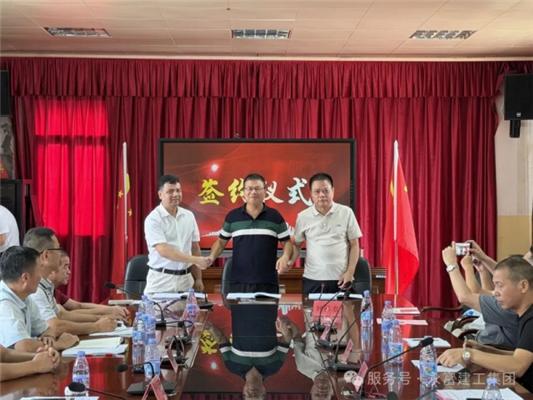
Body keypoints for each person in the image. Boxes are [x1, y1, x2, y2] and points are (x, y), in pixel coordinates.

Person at [438, 255, 533, 393]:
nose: (495, 293)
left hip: (523, 389)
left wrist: (469, 354)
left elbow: (518, 366)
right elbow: (521, 356)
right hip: (517, 382)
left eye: (500, 285)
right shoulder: (525, 315)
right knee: (453, 384)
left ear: (523, 286)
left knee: (454, 386)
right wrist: (484, 350)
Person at [208, 173, 292, 293]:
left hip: (268, 282)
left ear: (265, 191)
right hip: (238, 282)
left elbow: (287, 242)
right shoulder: (232, 217)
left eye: (257, 188)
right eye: (249, 188)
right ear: (243, 191)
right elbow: (221, 243)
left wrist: (285, 256)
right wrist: (211, 257)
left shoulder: (275, 216)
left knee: (267, 307)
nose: (253, 192)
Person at [24, 227, 117, 336]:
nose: (61, 254)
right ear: (46, 255)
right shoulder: (35, 290)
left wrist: (101, 318)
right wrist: (97, 326)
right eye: (58, 249)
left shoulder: (45, 285)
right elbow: (54, 326)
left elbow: (61, 315)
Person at [291, 173, 362, 296]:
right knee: (311, 309)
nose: (322, 195)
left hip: (341, 279)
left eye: (325, 191)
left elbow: (355, 245)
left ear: (333, 191)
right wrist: (289, 261)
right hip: (313, 279)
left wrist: (350, 272)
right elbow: (297, 245)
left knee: (344, 309)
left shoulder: (346, 212)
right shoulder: (303, 216)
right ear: (311, 194)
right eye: (317, 191)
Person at [0, 246, 78, 352]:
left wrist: (48, 337)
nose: (41, 277)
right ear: (25, 278)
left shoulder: (24, 296)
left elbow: (47, 329)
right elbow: (23, 346)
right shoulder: (4, 305)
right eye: (39, 271)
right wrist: (59, 344)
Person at [442, 243, 519, 348]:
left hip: (486, 346)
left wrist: (452, 265)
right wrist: (483, 262)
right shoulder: (513, 297)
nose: (495, 291)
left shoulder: (509, 304)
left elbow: (465, 297)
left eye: (500, 284)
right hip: (483, 344)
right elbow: (480, 292)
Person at [206, 303, 290, 399]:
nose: (253, 393)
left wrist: (210, 328)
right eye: (256, 395)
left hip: (240, 305)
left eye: (249, 395)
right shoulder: (274, 366)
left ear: (243, 391)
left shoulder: (232, 366)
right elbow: (286, 341)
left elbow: (221, 340)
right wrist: (286, 331)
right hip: (267, 304)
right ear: (264, 391)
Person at [144, 175, 210, 294]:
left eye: (178, 190)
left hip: (186, 281)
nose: (175, 194)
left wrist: (198, 278)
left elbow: (194, 247)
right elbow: (164, 250)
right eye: (170, 191)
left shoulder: (189, 216)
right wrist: (195, 260)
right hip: (161, 281)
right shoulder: (153, 219)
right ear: (160, 195)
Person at [52, 251, 129, 320]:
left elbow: (78, 306)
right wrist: (107, 314)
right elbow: (65, 315)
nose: (69, 272)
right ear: (52, 268)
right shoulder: (46, 292)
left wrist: (112, 309)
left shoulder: (54, 291)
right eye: (65, 267)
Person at [277, 316, 334, 400]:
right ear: (332, 392)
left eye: (317, 395)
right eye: (325, 396)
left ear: (311, 391)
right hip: (340, 324)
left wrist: (288, 325)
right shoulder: (341, 372)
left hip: (314, 319)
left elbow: (297, 337)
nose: (321, 391)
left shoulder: (302, 367)